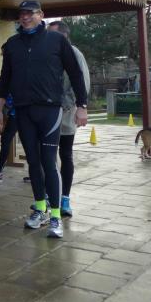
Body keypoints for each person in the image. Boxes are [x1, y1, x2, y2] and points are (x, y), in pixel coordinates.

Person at [0, 0, 88, 239]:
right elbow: (5, 78)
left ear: (41, 15)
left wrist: (82, 106)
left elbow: (75, 73)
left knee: (48, 161)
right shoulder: (13, 44)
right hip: (23, 110)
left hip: (49, 110)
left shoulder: (56, 40)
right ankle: (40, 208)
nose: (25, 17)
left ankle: (55, 215)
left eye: (30, 13)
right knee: (33, 162)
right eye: (22, 14)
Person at [48, 20, 90, 217]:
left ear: (63, 35)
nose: (47, 37)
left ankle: (65, 198)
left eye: (51, 34)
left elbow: (82, 82)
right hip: (47, 113)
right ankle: (50, 195)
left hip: (66, 112)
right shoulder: (48, 52)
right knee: (47, 157)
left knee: (65, 155)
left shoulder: (74, 53)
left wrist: (74, 106)